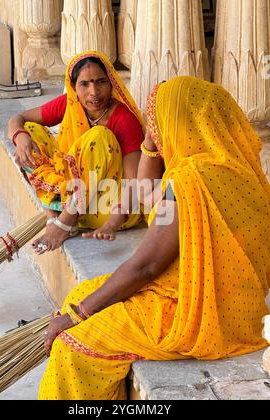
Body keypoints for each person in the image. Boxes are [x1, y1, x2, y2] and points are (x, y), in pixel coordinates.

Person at [38, 76, 270, 400]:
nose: (156, 132)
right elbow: (146, 193)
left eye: (158, 123)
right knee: (85, 291)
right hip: (240, 309)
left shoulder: (187, 182)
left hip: (197, 316)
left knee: (72, 347)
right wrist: (150, 142)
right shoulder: (241, 169)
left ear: (179, 122)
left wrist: (76, 316)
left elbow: (145, 267)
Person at [8, 51, 145, 253]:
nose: (94, 92)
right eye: (84, 84)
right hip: (70, 197)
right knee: (30, 130)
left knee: (99, 137)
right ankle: (52, 217)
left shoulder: (124, 119)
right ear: (73, 87)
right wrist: (19, 137)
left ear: (111, 83)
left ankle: (65, 222)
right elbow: (17, 118)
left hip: (108, 208)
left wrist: (111, 224)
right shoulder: (71, 105)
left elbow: (135, 183)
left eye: (101, 82)